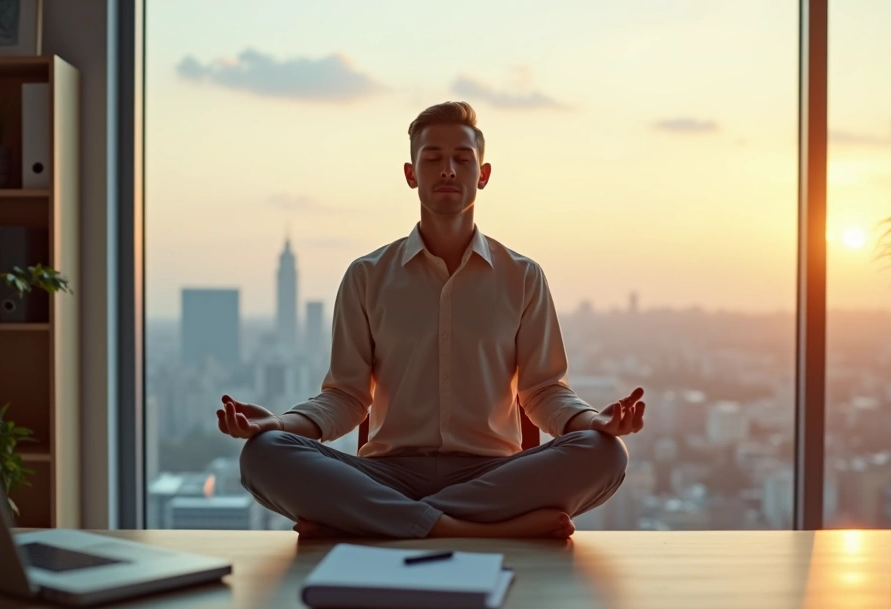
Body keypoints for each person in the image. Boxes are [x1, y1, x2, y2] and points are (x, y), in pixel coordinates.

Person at [217, 102, 646, 539]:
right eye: (433, 158)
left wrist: (596, 423)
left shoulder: (522, 276)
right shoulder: (367, 276)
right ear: (410, 174)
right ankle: (472, 531)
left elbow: (542, 392)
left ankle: (384, 521)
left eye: (462, 159)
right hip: (387, 474)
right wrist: (279, 424)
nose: (448, 170)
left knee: (606, 453)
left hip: (492, 476)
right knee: (263, 453)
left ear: (483, 174)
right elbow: (346, 396)